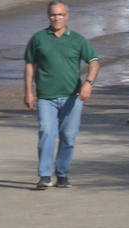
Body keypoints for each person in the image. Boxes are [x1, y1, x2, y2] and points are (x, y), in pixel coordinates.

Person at [23, 2, 99, 190]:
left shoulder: (78, 40)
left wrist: (88, 84)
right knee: (47, 132)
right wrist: (28, 92)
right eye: (53, 15)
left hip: (72, 98)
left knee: (68, 137)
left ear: (67, 16)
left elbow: (94, 62)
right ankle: (45, 175)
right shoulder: (38, 39)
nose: (56, 18)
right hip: (45, 97)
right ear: (48, 16)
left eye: (60, 14)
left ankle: (63, 175)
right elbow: (29, 65)